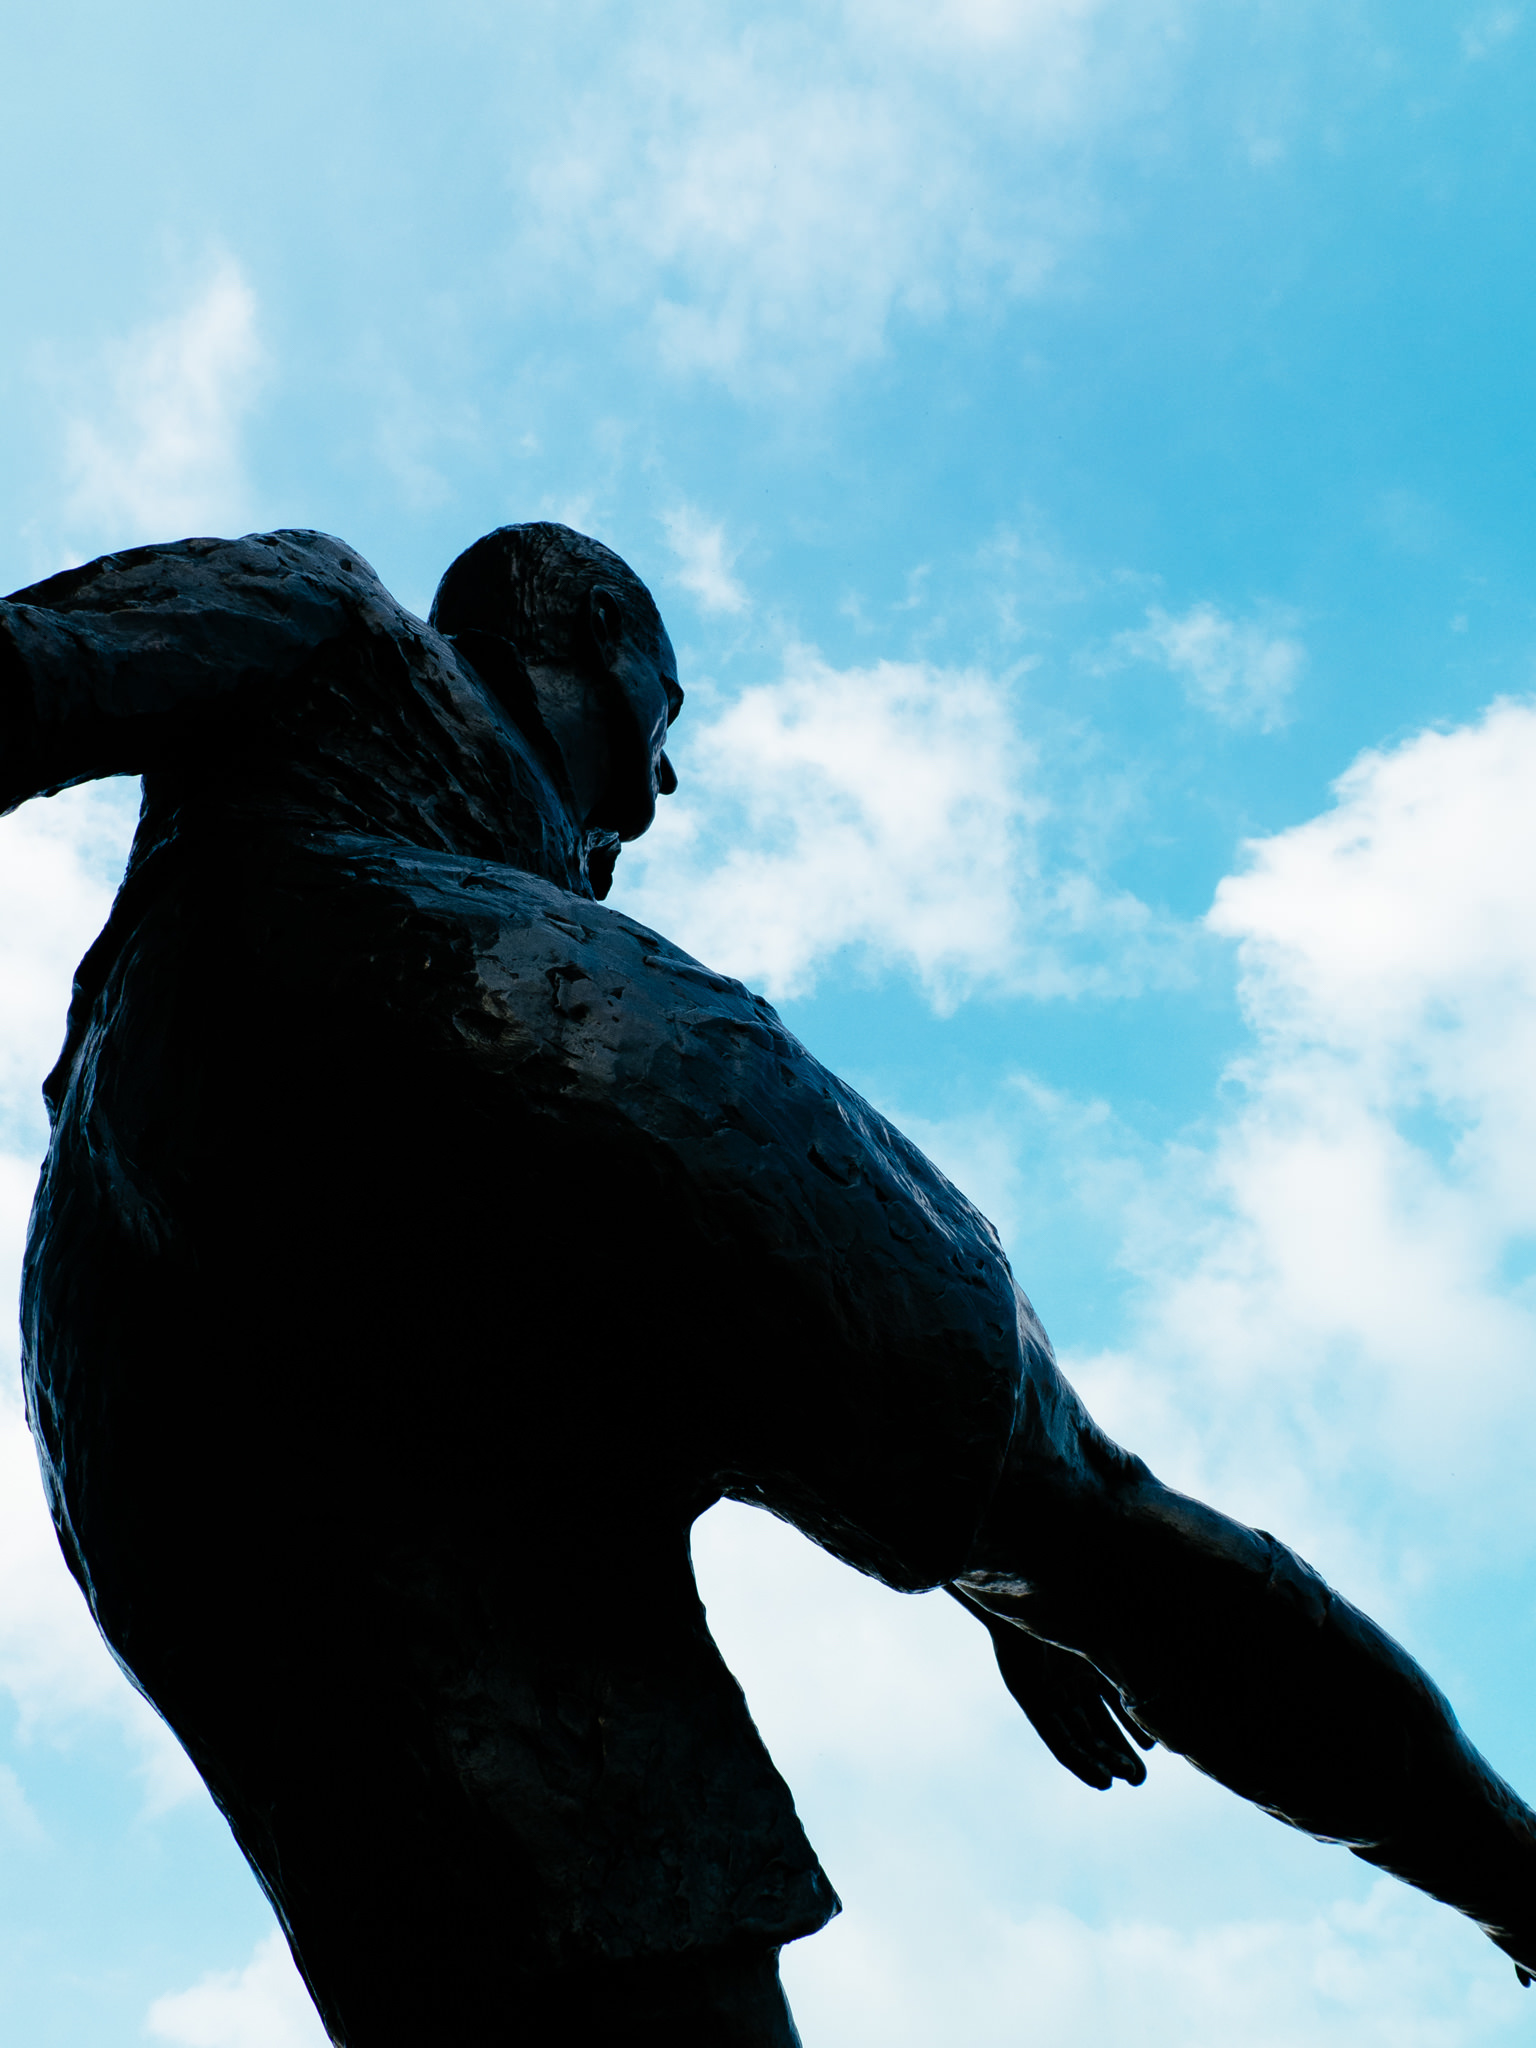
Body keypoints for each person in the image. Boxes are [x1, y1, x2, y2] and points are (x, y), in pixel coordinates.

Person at [2, 523, 1533, 2048]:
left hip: (136, 1318)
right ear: (587, 639)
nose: (662, 785)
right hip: (451, 1030)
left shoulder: (348, 767)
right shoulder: (343, 616)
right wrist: (998, 1527)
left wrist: (974, 1542)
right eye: (662, 712)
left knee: (541, 1881)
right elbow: (35, 672)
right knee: (1091, 1522)